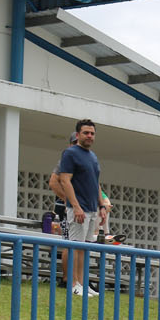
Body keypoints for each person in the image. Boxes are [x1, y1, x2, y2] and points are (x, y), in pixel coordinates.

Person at [54, 119, 102, 297]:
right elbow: (64, 180)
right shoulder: (70, 153)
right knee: (75, 246)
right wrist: (75, 206)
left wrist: (102, 206)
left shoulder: (93, 156)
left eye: (92, 133)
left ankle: (83, 282)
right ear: (78, 134)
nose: (89, 136)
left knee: (85, 248)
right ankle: (73, 283)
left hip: (91, 209)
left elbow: (96, 183)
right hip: (78, 210)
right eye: (86, 133)